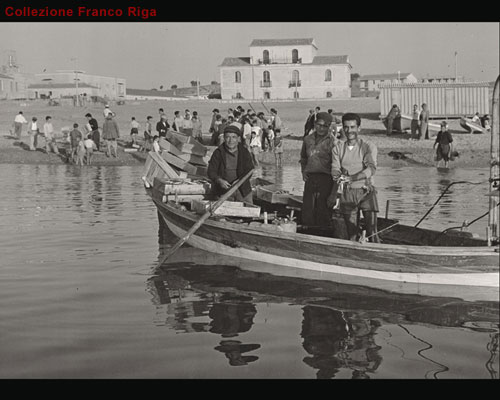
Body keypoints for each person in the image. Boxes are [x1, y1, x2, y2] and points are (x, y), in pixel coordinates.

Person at [328, 112, 380, 243]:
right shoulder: (338, 149)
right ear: (343, 129)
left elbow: (371, 168)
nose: (349, 131)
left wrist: (353, 178)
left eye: (352, 127)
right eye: (346, 127)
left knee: (372, 231)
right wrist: (337, 176)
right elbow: (335, 168)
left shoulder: (367, 147)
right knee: (351, 232)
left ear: (358, 128)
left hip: (366, 191)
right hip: (348, 193)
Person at [299, 112, 337, 228]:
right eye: (319, 125)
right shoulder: (307, 139)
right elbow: (303, 158)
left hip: (326, 179)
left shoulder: (333, 142)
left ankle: (323, 236)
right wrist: (303, 171)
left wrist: (334, 193)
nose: (321, 128)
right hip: (310, 180)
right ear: (315, 124)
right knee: (308, 210)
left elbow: (338, 169)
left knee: (323, 213)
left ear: (329, 126)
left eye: (325, 126)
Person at [207, 125, 254, 204]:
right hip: (223, 191)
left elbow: (250, 170)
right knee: (222, 213)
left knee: (249, 211)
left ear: (238, 139)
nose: (230, 140)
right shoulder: (218, 153)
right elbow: (211, 171)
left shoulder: (244, 152)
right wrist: (219, 180)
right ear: (224, 138)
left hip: (242, 189)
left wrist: (239, 181)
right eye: (228, 137)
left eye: (233, 137)